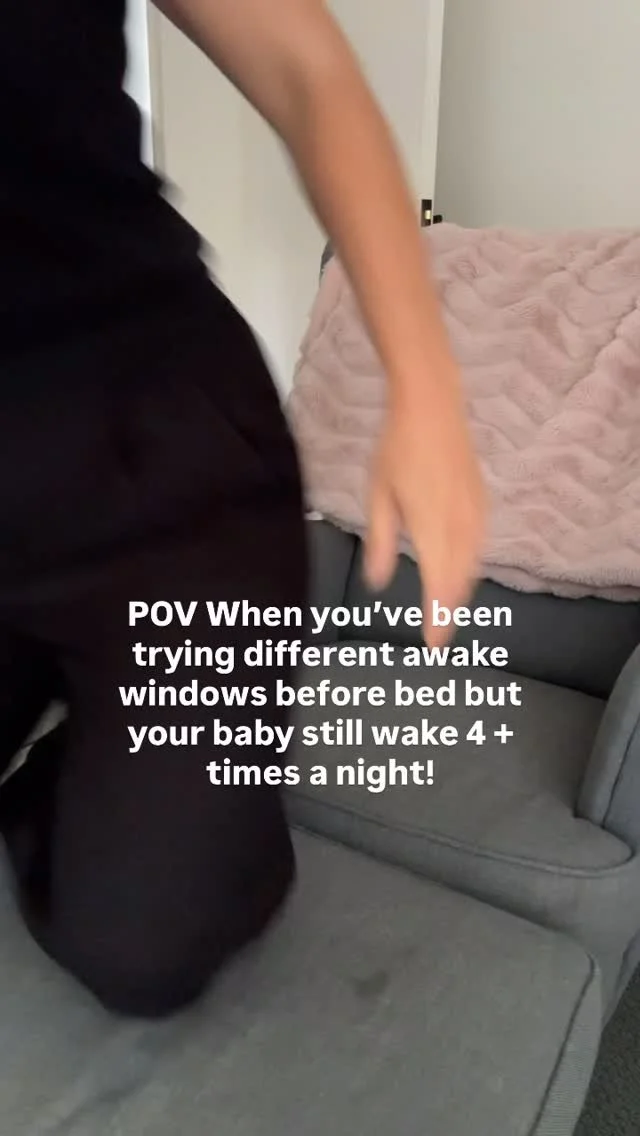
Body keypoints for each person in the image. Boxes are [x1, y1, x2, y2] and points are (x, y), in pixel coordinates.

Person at [0, 0, 485, 1018]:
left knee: (145, 938)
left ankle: (104, 764)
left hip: (164, 472)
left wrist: (427, 391)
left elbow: (309, 73)